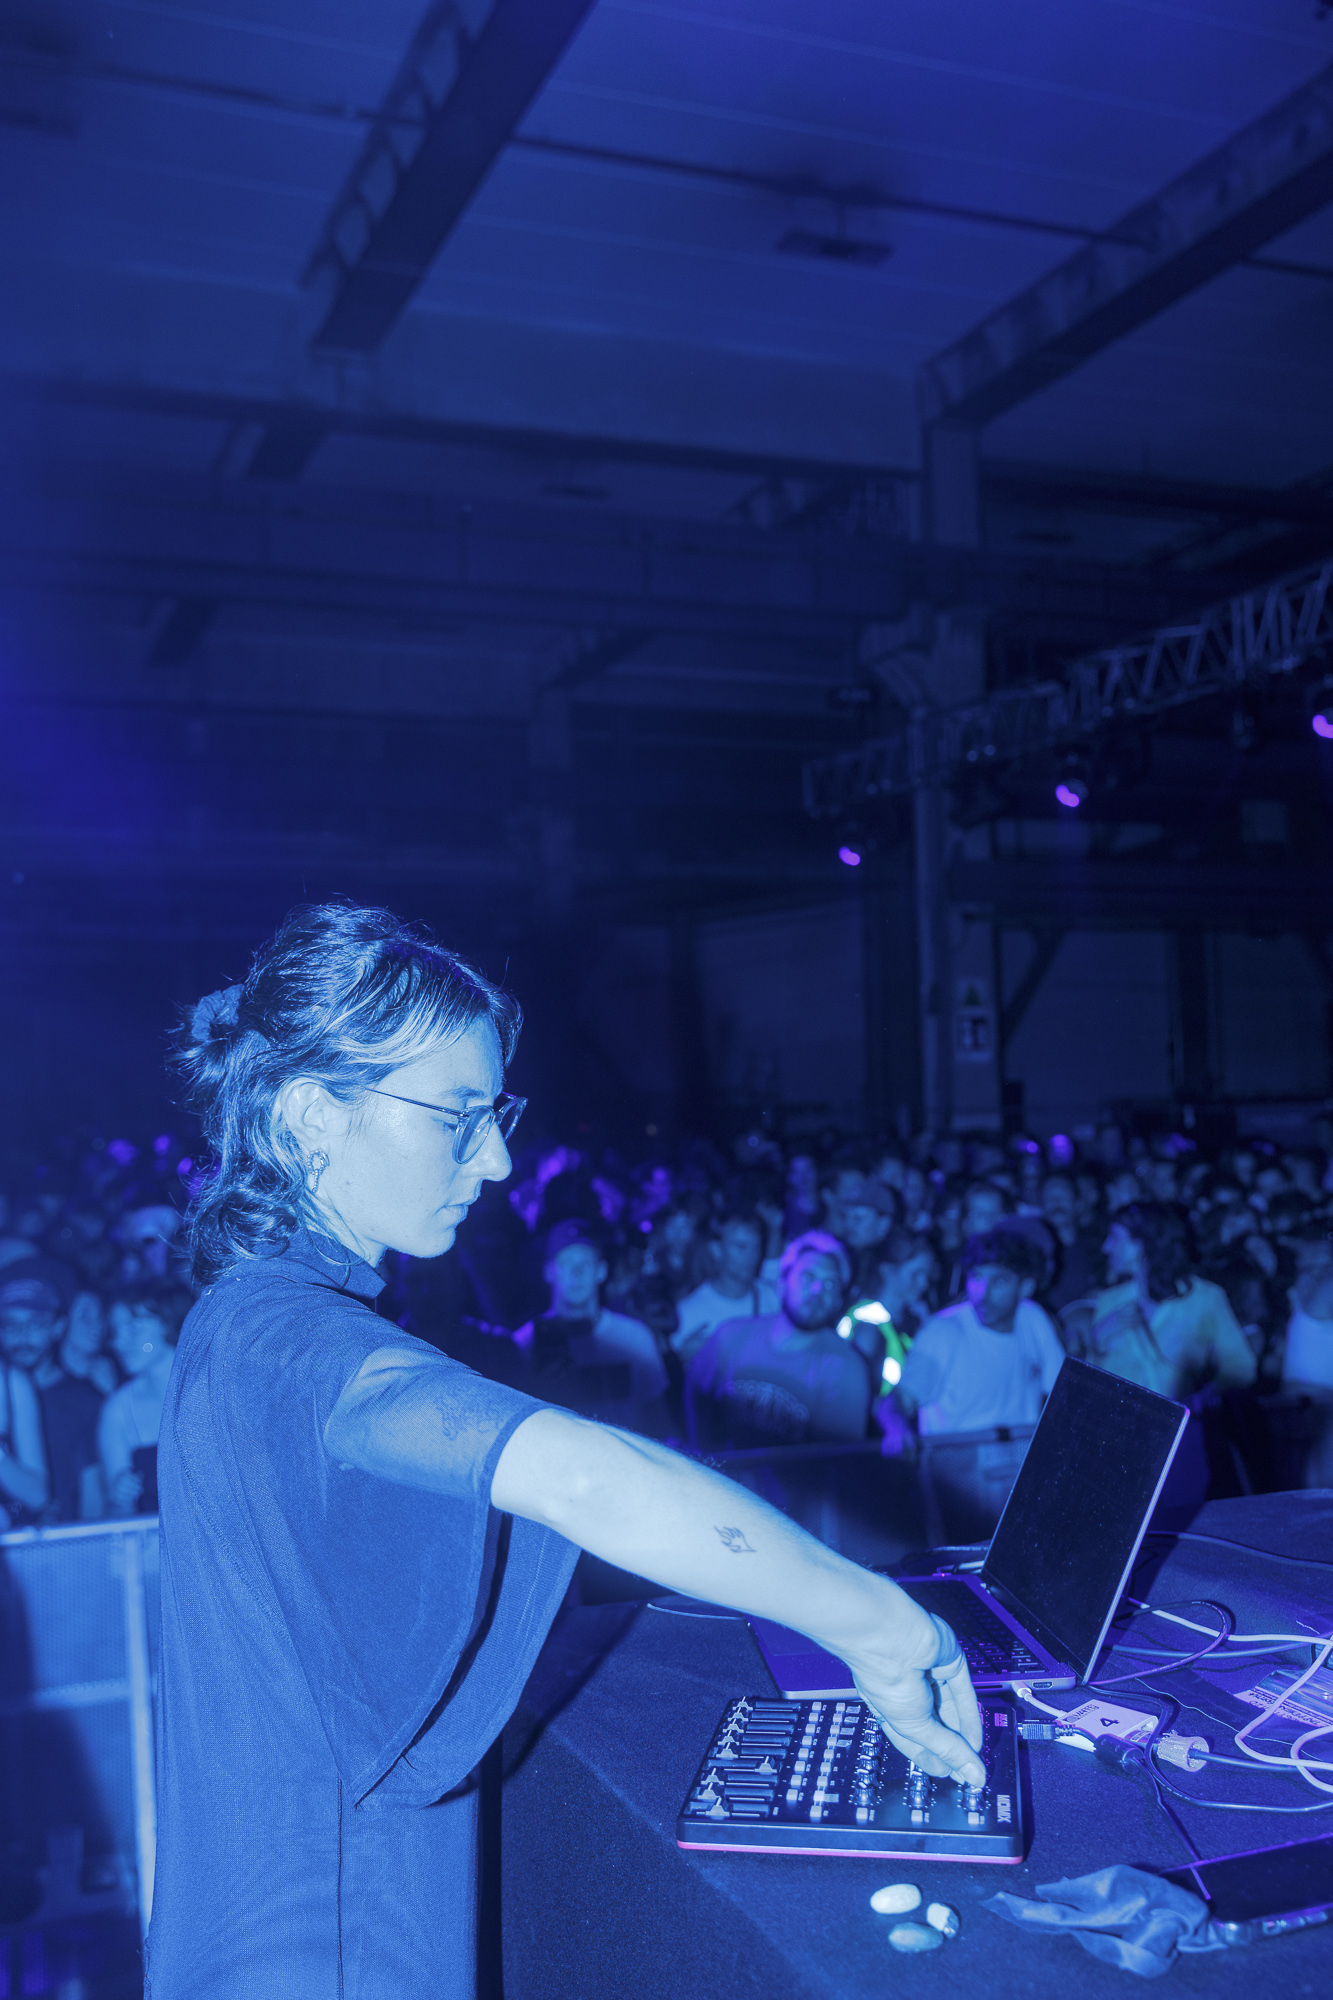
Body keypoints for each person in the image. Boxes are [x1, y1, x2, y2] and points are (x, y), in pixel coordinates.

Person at [149, 903, 983, 2000]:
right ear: (313, 1112)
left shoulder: (250, 1313)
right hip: (330, 1927)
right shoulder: (287, 1338)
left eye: (496, 1114)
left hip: (293, 1896)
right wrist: (883, 1627)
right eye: (459, 1116)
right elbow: (589, 1478)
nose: (497, 1159)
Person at [684, 1231, 875, 1450]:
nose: (817, 1290)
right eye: (808, 1277)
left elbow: (833, 1458)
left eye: (830, 1284)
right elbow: (694, 1394)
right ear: (782, 1282)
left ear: (839, 1300)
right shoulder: (730, 1337)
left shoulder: (846, 1369)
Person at [890, 1228, 1066, 1438]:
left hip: (1020, 1457)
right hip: (954, 1458)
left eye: (999, 1281)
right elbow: (897, 1400)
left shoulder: (1033, 1318)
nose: (983, 1293)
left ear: (1025, 1287)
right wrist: (896, 1429)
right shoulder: (942, 1332)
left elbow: (1061, 1392)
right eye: (976, 1277)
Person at [1089, 1202, 1256, 1400]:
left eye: (1115, 1237)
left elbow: (1240, 1365)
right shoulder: (1109, 1301)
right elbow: (1090, 1386)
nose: (1106, 1247)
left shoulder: (1204, 1298)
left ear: (1144, 1242)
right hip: (1119, 1417)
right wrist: (1098, 1341)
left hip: (1181, 1418)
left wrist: (1205, 1398)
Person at [512, 1220, 667, 1428]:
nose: (576, 1273)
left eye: (585, 1263)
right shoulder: (523, 1344)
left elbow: (658, 1419)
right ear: (548, 1271)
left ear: (601, 1270)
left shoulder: (636, 1338)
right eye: (566, 1262)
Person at [0, 1262, 103, 1522]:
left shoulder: (84, 1400)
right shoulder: (6, 1391)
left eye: (35, 1324)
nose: (22, 1335)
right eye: (10, 1325)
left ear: (58, 1327)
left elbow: (94, 1493)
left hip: (61, 1539)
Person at [99, 1281, 189, 1515]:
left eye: (133, 1327)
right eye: (116, 1331)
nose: (119, 1342)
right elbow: (117, 1517)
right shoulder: (118, 1408)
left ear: (167, 1321)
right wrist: (120, 1497)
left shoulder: (213, 1388)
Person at [671, 1210, 778, 1364]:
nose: (752, 1256)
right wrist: (682, 1360)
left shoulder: (774, 1297)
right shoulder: (689, 1312)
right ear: (717, 1250)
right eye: (741, 1247)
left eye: (756, 1247)